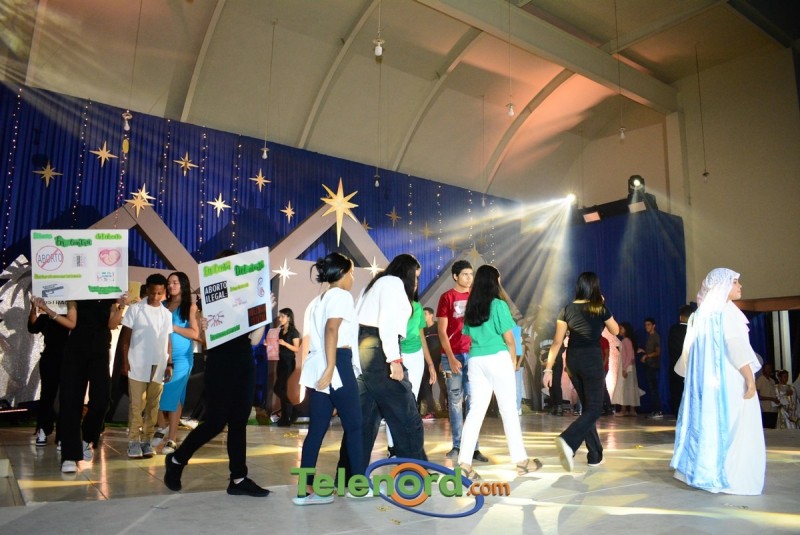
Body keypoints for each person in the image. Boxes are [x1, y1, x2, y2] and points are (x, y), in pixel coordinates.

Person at [164, 249, 269, 497]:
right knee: (215, 422)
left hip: (244, 362)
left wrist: (263, 314)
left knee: (239, 422)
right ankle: (177, 459)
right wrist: (204, 326)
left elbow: (254, 341)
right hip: (220, 363)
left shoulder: (249, 297)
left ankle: (238, 478)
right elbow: (205, 340)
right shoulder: (211, 298)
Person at [671, 268, 765, 495]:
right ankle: (731, 477)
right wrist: (749, 378)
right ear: (722, 286)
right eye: (735, 282)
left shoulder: (701, 314)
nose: (740, 286)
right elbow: (735, 346)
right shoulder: (726, 312)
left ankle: (704, 471)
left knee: (711, 425)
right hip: (731, 379)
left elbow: (688, 352)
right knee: (737, 428)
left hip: (710, 383)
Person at [338, 253, 427, 479]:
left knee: (364, 419)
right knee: (406, 415)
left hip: (366, 350)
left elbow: (356, 323)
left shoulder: (375, 284)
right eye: (415, 277)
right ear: (407, 272)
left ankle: (349, 476)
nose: (416, 283)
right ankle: (414, 475)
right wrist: (394, 360)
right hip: (380, 350)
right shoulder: (393, 283)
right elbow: (387, 322)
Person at [457, 265, 541, 479]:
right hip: (498, 358)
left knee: (475, 412)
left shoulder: (471, 306)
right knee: (509, 411)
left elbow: (468, 334)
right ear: (494, 281)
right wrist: (513, 361)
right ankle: (521, 462)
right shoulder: (498, 304)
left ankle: (464, 464)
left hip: (476, 360)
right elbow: (509, 339)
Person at [293, 253, 363, 505]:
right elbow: (331, 329)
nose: (353, 278)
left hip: (320, 364)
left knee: (316, 430)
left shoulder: (319, 299)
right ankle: (359, 486)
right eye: (352, 272)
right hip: (337, 362)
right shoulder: (341, 296)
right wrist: (332, 366)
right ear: (342, 273)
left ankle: (305, 490)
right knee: (355, 426)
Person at [34, 292, 128, 473]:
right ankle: (69, 456)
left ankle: (86, 439)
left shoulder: (109, 296)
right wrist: (47, 310)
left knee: (102, 400)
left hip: (100, 352)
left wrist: (122, 305)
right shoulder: (76, 292)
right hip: (75, 351)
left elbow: (112, 324)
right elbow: (72, 323)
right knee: (71, 402)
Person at [544, 272, 619, 471]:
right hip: (591, 359)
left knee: (588, 409)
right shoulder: (599, 308)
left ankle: (595, 455)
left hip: (573, 360)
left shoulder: (566, 309)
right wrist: (602, 305)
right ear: (595, 287)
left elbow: (557, 342)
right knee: (594, 409)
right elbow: (616, 330)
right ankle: (568, 441)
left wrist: (548, 369)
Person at [437, 260, 487, 462]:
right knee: (456, 401)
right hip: (453, 355)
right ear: (455, 276)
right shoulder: (447, 297)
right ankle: (457, 445)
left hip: (474, 354)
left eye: (471, 274)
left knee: (474, 401)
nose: (469, 278)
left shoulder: (476, 296)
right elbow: (442, 331)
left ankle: (474, 447)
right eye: (465, 274)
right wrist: (450, 357)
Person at [120, 273, 174, 459]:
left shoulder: (166, 314)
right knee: (137, 405)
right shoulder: (135, 309)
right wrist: (125, 362)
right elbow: (125, 339)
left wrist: (169, 363)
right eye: (152, 293)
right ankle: (133, 441)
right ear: (147, 290)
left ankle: (146, 441)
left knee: (153, 405)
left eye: (159, 293)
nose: (156, 296)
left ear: (164, 292)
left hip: (159, 364)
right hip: (137, 363)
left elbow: (168, 341)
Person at [386, 293, 436, 455]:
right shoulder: (392, 303)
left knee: (411, 401)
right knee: (395, 401)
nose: (413, 286)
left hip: (416, 356)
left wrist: (430, 364)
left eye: (416, 282)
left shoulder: (417, 306)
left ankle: (408, 445)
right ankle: (392, 447)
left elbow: (421, 336)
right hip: (396, 354)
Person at [155, 272, 199, 454]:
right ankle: (163, 427)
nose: (171, 285)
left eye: (175, 282)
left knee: (172, 392)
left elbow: (195, 333)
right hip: (162, 355)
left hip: (182, 358)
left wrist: (173, 327)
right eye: (169, 282)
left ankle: (171, 439)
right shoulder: (162, 305)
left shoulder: (190, 306)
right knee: (159, 393)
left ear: (183, 285)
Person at [28, 297, 70, 447]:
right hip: (50, 357)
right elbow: (33, 327)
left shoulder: (74, 310)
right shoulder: (47, 313)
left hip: (71, 358)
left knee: (67, 396)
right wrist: (34, 307)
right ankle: (43, 429)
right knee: (47, 395)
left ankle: (63, 434)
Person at [275, 308, 301, 426]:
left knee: (282, 389)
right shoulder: (280, 331)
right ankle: (292, 411)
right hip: (281, 362)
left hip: (289, 363)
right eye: (279, 316)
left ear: (289, 318)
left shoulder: (294, 332)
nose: (280, 319)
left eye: (282, 316)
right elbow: (278, 346)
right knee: (279, 389)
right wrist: (269, 345)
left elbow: (296, 349)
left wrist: (285, 343)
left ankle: (287, 416)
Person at [611, 322, 642, 416]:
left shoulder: (626, 340)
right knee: (630, 387)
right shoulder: (627, 340)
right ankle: (632, 410)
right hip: (629, 366)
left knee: (624, 388)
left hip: (626, 367)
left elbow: (630, 356)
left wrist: (624, 369)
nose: (620, 330)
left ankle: (624, 410)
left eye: (621, 328)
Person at [668, 305, 693, 416]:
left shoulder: (674, 329)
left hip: (676, 366)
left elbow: (672, 349)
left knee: (677, 391)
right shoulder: (695, 330)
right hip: (692, 367)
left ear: (680, 317)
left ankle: (678, 413)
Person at [420, 306, 445, 416]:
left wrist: (443, 360)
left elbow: (444, 343)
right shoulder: (422, 330)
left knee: (444, 385)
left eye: (425, 314)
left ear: (431, 315)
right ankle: (431, 411)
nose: (423, 316)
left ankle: (450, 409)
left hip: (439, 362)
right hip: (428, 363)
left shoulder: (438, 327)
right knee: (426, 386)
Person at [638, 317, 663, 418]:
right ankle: (655, 410)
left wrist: (646, 356)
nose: (646, 327)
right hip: (649, 365)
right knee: (652, 389)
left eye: (648, 324)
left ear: (654, 326)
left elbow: (658, 352)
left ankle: (658, 411)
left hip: (653, 366)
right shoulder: (649, 337)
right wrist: (643, 351)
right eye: (645, 325)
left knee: (654, 389)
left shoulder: (655, 336)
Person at [756, 362, 778, 429]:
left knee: (773, 427)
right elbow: (757, 396)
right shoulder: (760, 379)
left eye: (770, 368)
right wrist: (771, 398)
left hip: (774, 409)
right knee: (766, 428)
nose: (769, 370)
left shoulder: (772, 381)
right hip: (765, 409)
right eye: (767, 368)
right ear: (763, 369)